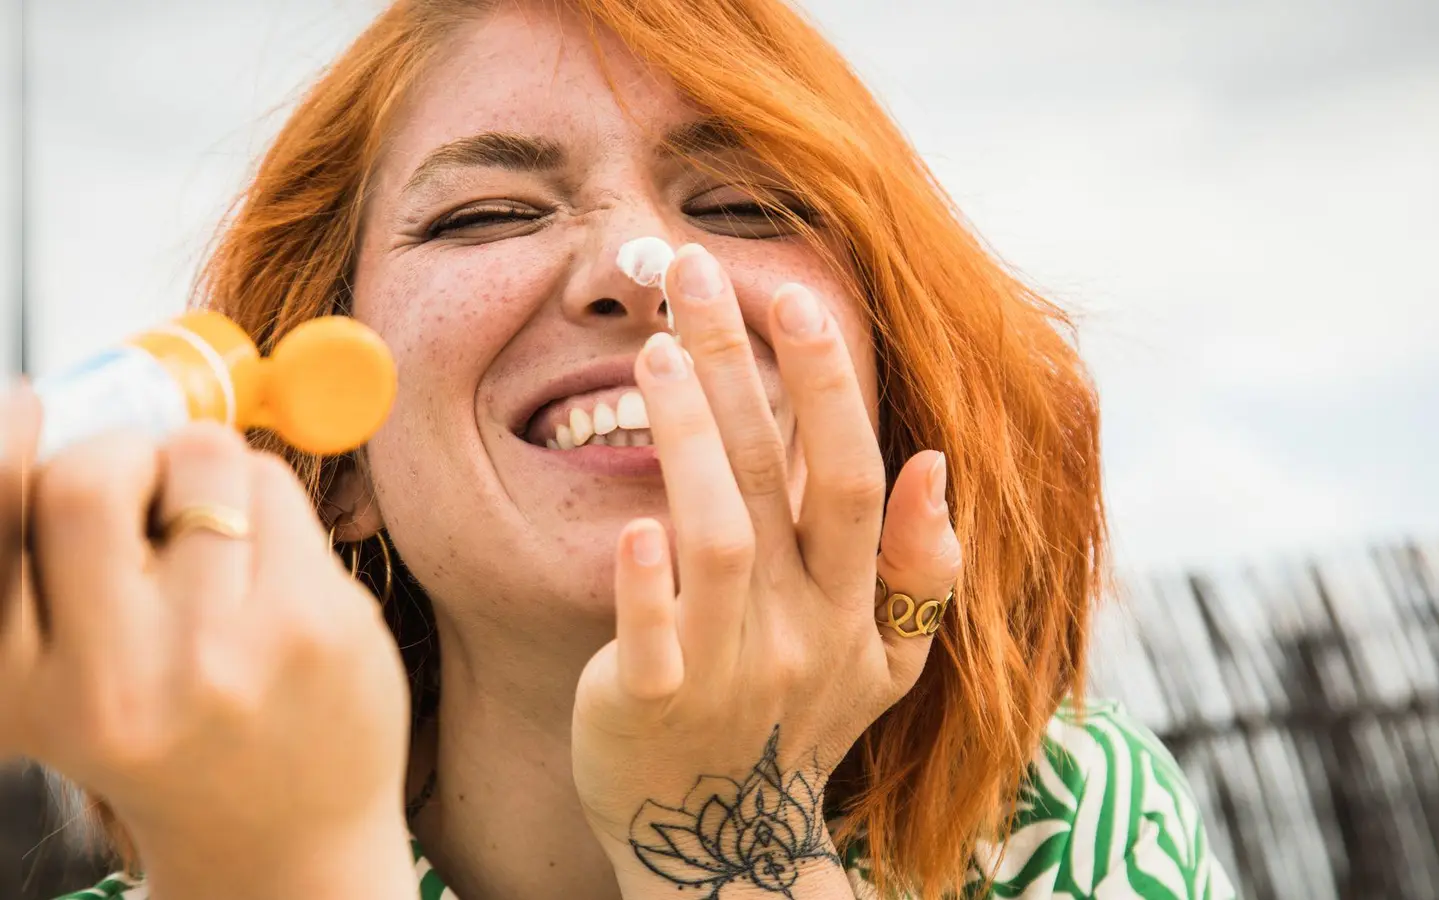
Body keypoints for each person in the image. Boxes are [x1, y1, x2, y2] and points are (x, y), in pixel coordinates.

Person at [1, 0, 1236, 897]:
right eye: (487, 213)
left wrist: (715, 835)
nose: (642, 272)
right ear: (334, 466)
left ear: (884, 378)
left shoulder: (1065, 829)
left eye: (747, 205)